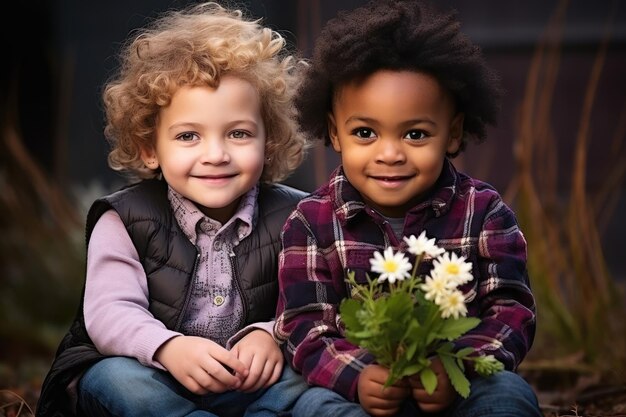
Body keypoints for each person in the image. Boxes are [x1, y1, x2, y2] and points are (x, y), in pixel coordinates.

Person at [36, 2, 310, 416]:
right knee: (114, 380)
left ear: (268, 141)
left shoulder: (298, 216)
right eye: (188, 136)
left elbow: (316, 300)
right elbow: (111, 311)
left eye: (238, 133)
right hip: (157, 377)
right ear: (149, 147)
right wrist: (167, 348)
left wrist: (272, 334)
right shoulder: (125, 220)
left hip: (251, 380)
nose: (215, 154)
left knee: (312, 381)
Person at [274, 0, 542, 416]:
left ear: (452, 134)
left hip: (455, 385)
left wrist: (460, 366)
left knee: (508, 394)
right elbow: (303, 325)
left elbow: (511, 309)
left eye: (415, 134)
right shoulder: (312, 222)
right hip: (359, 394)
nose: (390, 153)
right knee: (314, 406)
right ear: (334, 132)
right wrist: (357, 374)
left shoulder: (484, 212)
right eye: (365, 132)